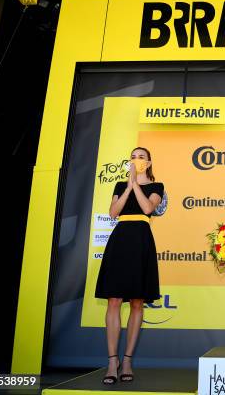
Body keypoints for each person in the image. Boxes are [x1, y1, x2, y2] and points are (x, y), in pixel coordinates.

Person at [95, 147, 164, 384]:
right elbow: (113, 212)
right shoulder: (118, 187)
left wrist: (135, 183)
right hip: (120, 239)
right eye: (133, 157)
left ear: (149, 161)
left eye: (141, 157)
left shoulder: (157, 186)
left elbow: (147, 208)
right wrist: (127, 186)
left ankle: (127, 360)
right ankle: (112, 361)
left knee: (137, 301)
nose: (136, 160)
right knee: (113, 300)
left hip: (142, 240)